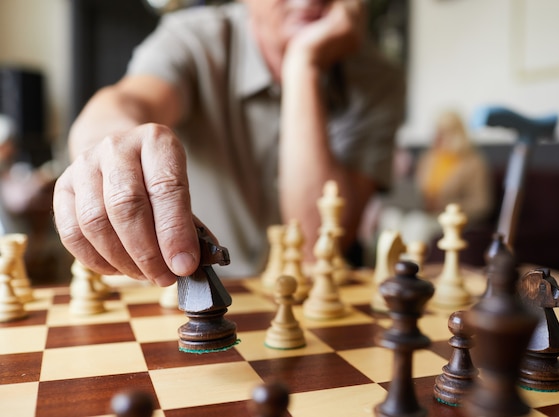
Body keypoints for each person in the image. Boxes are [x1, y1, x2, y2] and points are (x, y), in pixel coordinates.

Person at [52, 0, 405, 287]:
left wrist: (303, 65)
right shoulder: (193, 38)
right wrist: (108, 150)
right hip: (170, 292)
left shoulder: (377, 78)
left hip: (303, 304)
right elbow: (125, 102)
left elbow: (316, 245)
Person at [369, 110, 494, 250]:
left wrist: (444, 205)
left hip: (445, 219)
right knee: (390, 217)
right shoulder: (428, 159)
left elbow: (482, 205)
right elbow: (417, 191)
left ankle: (409, 269)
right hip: (421, 211)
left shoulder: (473, 163)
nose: (436, 137)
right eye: (436, 131)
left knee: (417, 225)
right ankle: (385, 267)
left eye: (442, 133)